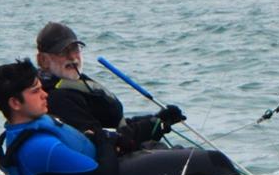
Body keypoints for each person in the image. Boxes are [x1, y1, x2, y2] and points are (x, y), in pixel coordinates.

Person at [0, 59, 241, 175]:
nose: (45, 94)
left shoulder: (30, 127)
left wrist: (155, 123)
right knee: (214, 161)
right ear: (15, 103)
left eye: (41, 87)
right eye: (35, 91)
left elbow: (108, 141)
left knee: (161, 150)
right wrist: (101, 141)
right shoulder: (40, 149)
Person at [35, 21, 183, 153]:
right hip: (108, 164)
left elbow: (114, 125)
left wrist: (158, 120)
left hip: (121, 154)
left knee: (181, 153)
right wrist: (151, 126)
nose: (72, 57)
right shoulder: (56, 98)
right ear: (43, 60)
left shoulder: (75, 83)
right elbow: (104, 140)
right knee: (189, 159)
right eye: (63, 52)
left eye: (75, 49)